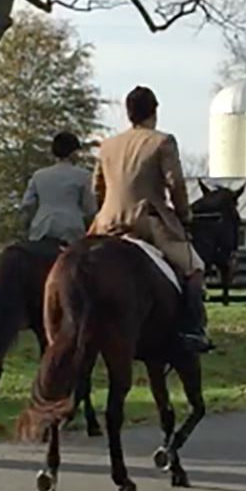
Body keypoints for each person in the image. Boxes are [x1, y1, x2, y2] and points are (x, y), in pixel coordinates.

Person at [89, 85, 211, 352]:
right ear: (154, 112)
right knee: (195, 267)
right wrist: (183, 215)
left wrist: (106, 211)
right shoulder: (162, 141)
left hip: (106, 223)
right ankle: (192, 330)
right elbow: (175, 183)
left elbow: (96, 188)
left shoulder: (107, 145)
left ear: (128, 113)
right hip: (147, 224)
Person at [20, 131, 97, 248]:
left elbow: (27, 204)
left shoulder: (39, 175)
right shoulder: (84, 175)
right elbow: (90, 208)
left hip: (41, 228)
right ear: (73, 153)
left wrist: (29, 224)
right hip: (71, 229)